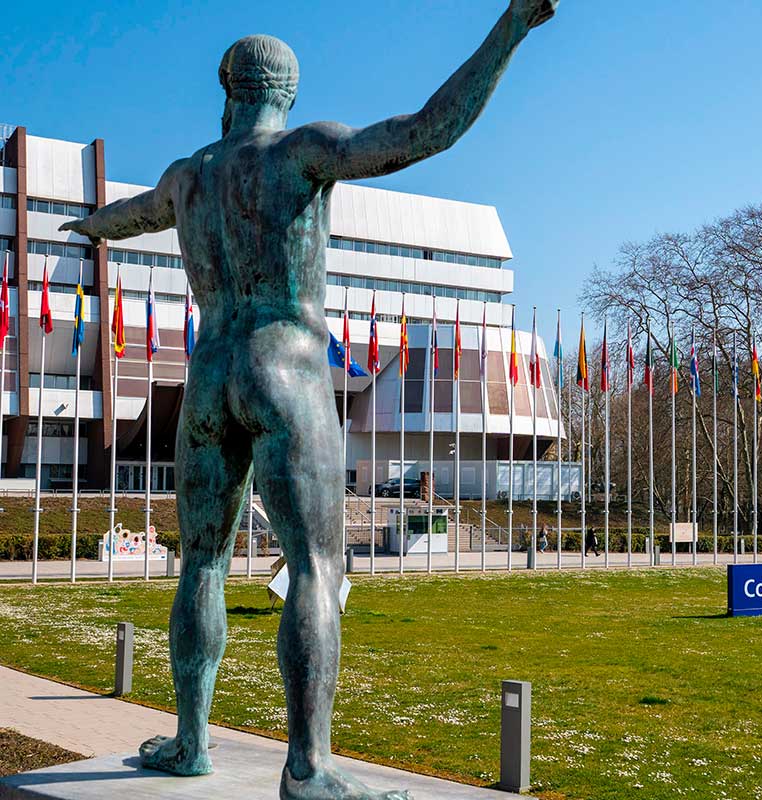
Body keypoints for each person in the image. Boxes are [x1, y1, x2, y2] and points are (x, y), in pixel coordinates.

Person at [61, 3, 558, 798]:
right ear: (286, 94)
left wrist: (88, 225)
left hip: (211, 371)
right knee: (319, 566)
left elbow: (130, 219)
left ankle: (191, 741)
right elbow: (429, 129)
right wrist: (511, 28)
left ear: (228, 90)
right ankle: (308, 764)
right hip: (285, 368)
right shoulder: (301, 151)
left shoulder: (188, 176)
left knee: (203, 565)